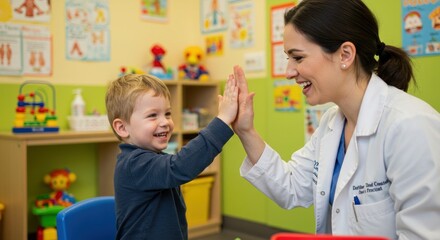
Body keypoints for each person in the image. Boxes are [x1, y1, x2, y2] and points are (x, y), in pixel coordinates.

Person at [230, 0, 440, 239]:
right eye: (288, 58)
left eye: (297, 58)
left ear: (345, 54)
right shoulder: (332, 122)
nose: (289, 71)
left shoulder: (411, 126)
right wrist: (246, 131)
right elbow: (291, 187)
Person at [105, 73, 237, 239]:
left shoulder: (152, 157)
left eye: (167, 114)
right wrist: (223, 120)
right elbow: (180, 166)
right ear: (122, 128)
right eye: (152, 115)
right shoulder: (134, 163)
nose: (165, 122)